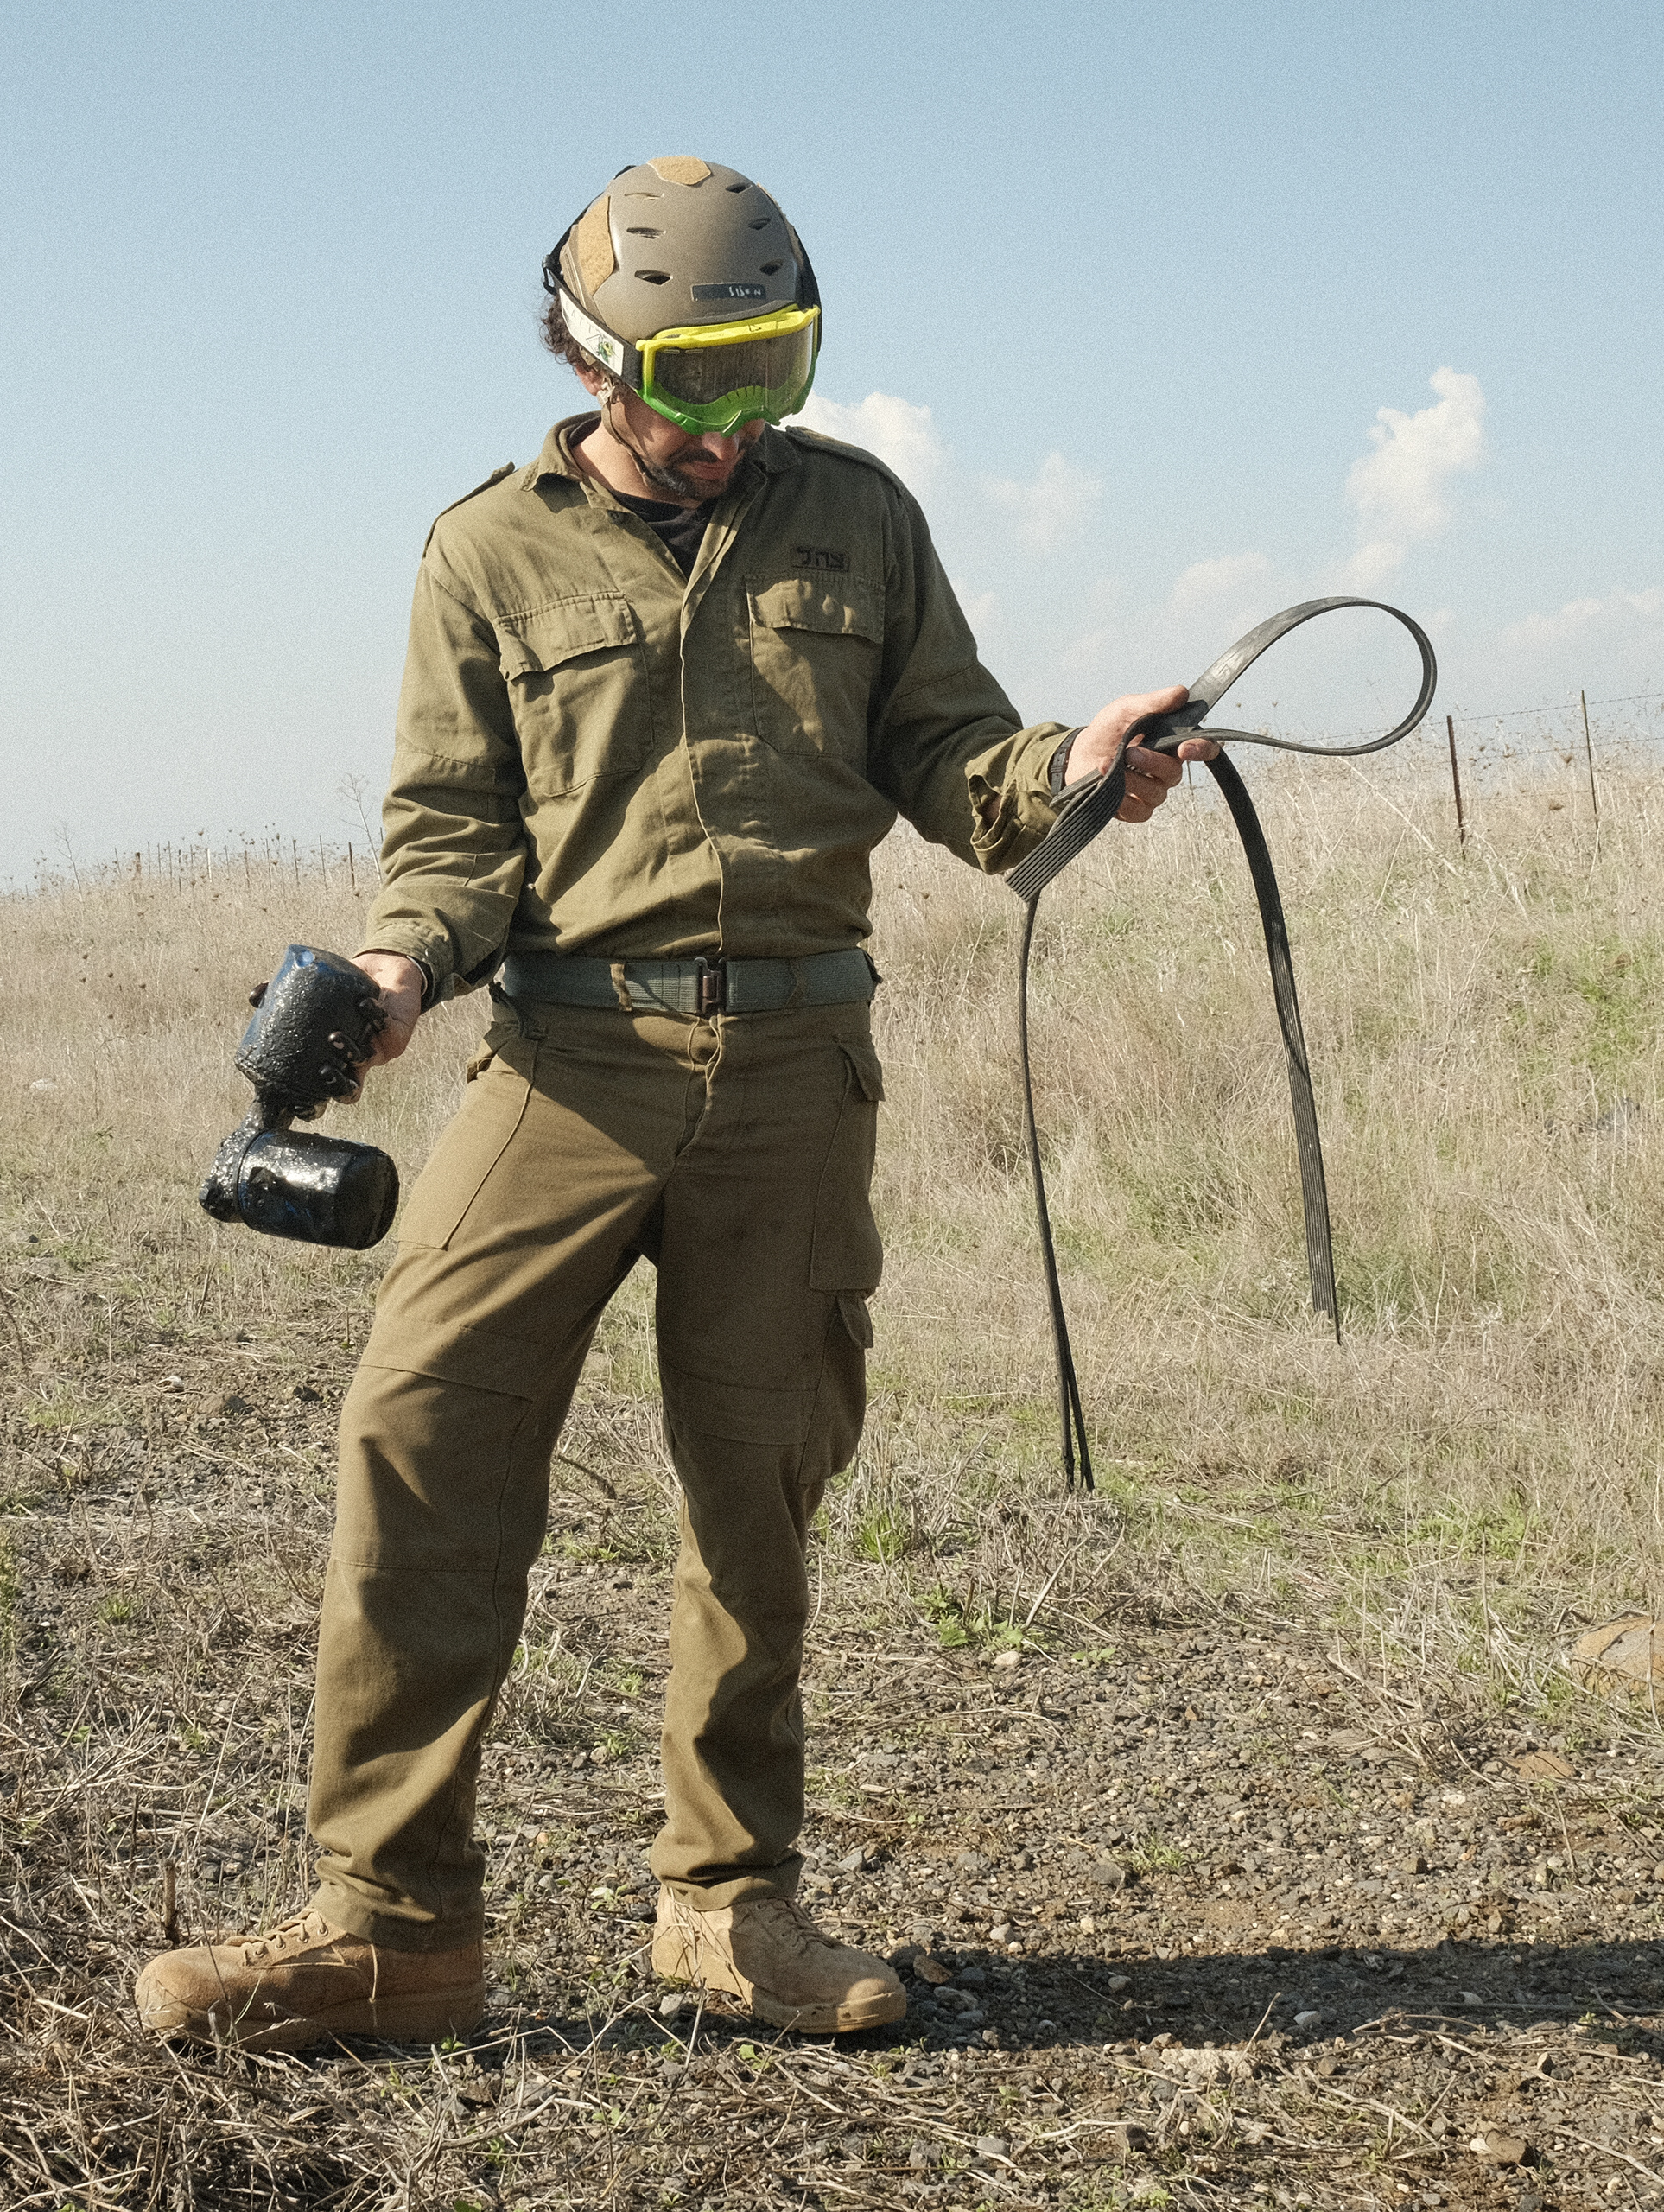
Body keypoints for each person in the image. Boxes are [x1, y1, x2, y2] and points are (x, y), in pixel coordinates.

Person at [137, 156, 1213, 2050]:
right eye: (698, 377)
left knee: (760, 1486)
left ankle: (731, 1905)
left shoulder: (861, 520)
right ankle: (393, 1924)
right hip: (565, 1060)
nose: (736, 424)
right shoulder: (485, 553)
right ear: (591, 347)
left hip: (800, 1068)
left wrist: (1071, 767)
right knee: (419, 1429)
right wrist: (401, 974)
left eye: (772, 372)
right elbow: (451, 835)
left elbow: (953, 759)